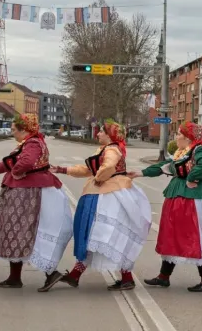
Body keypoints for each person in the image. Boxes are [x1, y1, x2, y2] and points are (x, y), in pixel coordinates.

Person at [46, 120, 152, 292]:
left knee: (103, 235)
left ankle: (125, 278)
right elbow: (88, 169)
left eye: (101, 131)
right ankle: (75, 275)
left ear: (109, 135)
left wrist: (99, 178)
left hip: (109, 196)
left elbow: (108, 166)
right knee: (95, 236)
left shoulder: (112, 149)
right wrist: (62, 169)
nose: (98, 134)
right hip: (103, 194)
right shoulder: (105, 149)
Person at [0, 113, 73, 290]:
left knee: (22, 230)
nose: (12, 133)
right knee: (18, 231)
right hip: (27, 190)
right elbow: (9, 163)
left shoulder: (32, 144)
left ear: (24, 130)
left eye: (14, 130)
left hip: (27, 193)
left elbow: (25, 162)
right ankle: (16, 277)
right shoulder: (28, 143)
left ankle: (48, 273)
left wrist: (16, 172)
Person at [133, 121, 202, 292]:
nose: (176, 137)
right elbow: (164, 166)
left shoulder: (199, 150)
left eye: (179, 134)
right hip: (179, 196)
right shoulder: (181, 153)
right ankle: (163, 277)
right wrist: (141, 173)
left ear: (188, 137)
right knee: (172, 234)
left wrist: (191, 178)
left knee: (198, 236)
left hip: (195, 199)